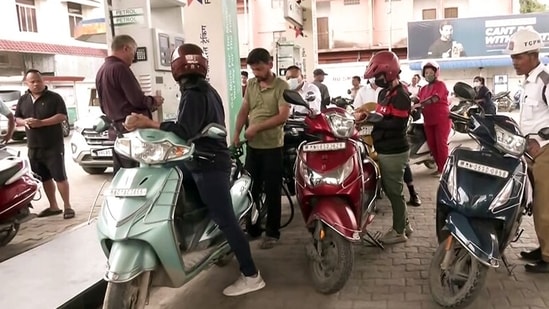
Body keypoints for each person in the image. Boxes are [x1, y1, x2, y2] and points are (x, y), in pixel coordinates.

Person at [123, 43, 266, 295]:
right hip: (200, 159)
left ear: (175, 68)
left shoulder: (194, 92)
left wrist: (148, 122)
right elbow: (190, 126)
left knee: (226, 220)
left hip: (209, 163)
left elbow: (183, 131)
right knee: (172, 180)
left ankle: (251, 275)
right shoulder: (205, 90)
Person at [232, 48, 290, 249]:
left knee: (273, 190)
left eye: (259, 68)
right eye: (253, 69)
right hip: (253, 147)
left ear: (270, 64)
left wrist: (257, 127)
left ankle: (272, 233)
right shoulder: (251, 84)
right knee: (251, 189)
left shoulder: (282, 86)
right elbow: (243, 111)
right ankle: (253, 227)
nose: (256, 73)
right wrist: (236, 134)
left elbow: (283, 116)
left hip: (273, 147)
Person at [506, 28, 549, 273]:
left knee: (546, 208)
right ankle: (543, 247)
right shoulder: (529, 83)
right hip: (530, 155)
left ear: (533, 54)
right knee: (536, 205)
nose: (514, 62)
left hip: (546, 154)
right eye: (513, 57)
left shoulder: (546, 81)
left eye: (518, 57)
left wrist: (543, 137)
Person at [95, 34, 164, 175]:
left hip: (117, 133)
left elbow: (103, 106)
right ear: (126, 48)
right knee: (138, 176)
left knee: (122, 176)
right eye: (133, 52)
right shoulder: (120, 68)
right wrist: (154, 101)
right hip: (132, 131)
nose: (134, 58)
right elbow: (137, 100)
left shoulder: (101, 70)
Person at [364, 51, 413, 244]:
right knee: (394, 190)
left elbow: (398, 124)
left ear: (390, 73)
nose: (377, 80)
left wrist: (374, 122)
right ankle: (405, 225)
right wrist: (370, 118)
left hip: (394, 151)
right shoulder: (384, 93)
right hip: (384, 148)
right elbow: (381, 116)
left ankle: (398, 231)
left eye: (379, 76)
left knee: (394, 192)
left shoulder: (401, 95)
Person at [14, 70, 75, 219]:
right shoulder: (23, 99)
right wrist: (25, 122)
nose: (36, 84)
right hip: (34, 146)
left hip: (53, 145)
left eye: (38, 81)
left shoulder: (54, 98)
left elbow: (62, 116)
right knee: (44, 177)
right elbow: (17, 118)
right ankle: (53, 206)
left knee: (60, 176)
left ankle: (68, 206)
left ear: (43, 81)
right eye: (32, 81)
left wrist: (41, 123)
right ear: (26, 83)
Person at [416, 60, 451, 177]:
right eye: (426, 73)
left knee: (441, 145)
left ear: (436, 73)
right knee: (432, 145)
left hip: (441, 120)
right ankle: (439, 167)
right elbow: (417, 98)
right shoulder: (423, 88)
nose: (428, 75)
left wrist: (421, 104)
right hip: (428, 120)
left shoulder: (441, 85)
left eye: (431, 72)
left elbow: (435, 98)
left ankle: (444, 170)